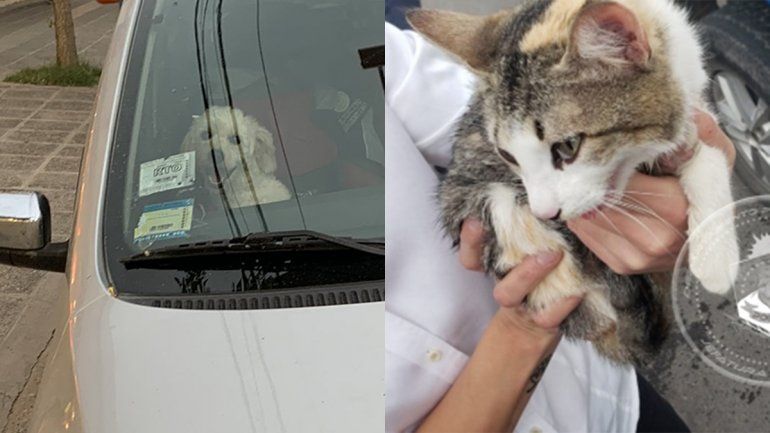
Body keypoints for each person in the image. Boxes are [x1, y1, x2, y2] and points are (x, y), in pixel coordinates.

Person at [384, 21, 736, 433]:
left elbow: (516, 103)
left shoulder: (345, 53)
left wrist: (684, 151)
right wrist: (524, 328)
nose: (542, 206)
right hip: (567, 342)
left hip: (606, 395)